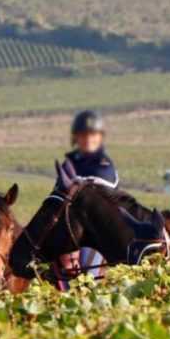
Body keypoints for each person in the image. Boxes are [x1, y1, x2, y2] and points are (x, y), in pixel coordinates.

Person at [57, 110, 118, 278]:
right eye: (83, 135)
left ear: (100, 137)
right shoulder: (68, 163)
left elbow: (97, 202)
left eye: (93, 135)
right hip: (69, 227)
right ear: (75, 137)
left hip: (97, 231)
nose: (88, 139)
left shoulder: (104, 166)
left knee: (88, 274)